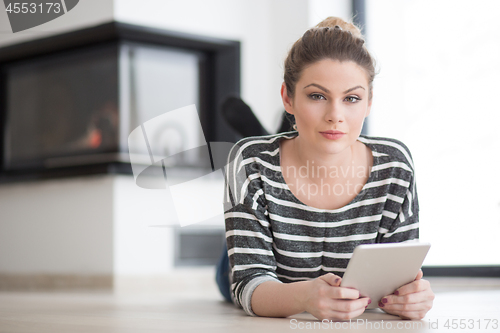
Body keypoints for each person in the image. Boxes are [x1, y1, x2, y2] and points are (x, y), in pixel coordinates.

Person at [216, 16, 434, 321]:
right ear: (287, 97)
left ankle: (281, 132)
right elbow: (248, 283)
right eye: (317, 96)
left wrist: (413, 296)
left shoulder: (394, 164)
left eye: (352, 98)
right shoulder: (249, 164)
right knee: (226, 273)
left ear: (369, 103)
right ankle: (274, 139)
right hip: (265, 268)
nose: (335, 115)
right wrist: (305, 297)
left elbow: (400, 279)